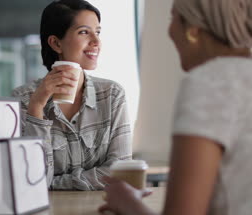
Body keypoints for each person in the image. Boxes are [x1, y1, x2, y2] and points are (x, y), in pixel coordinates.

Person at [99, 0, 252, 214]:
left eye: (173, 19)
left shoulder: (210, 82)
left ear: (192, 29)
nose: (170, 31)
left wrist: (126, 201)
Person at [12, 0, 132, 190]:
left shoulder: (112, 95)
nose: (96, 41)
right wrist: (37, 107)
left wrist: (54, 183)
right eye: (84, 32)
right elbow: (31, 180)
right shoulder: (23, 98)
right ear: (56, 43)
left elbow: (121, 172)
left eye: (98, 32)